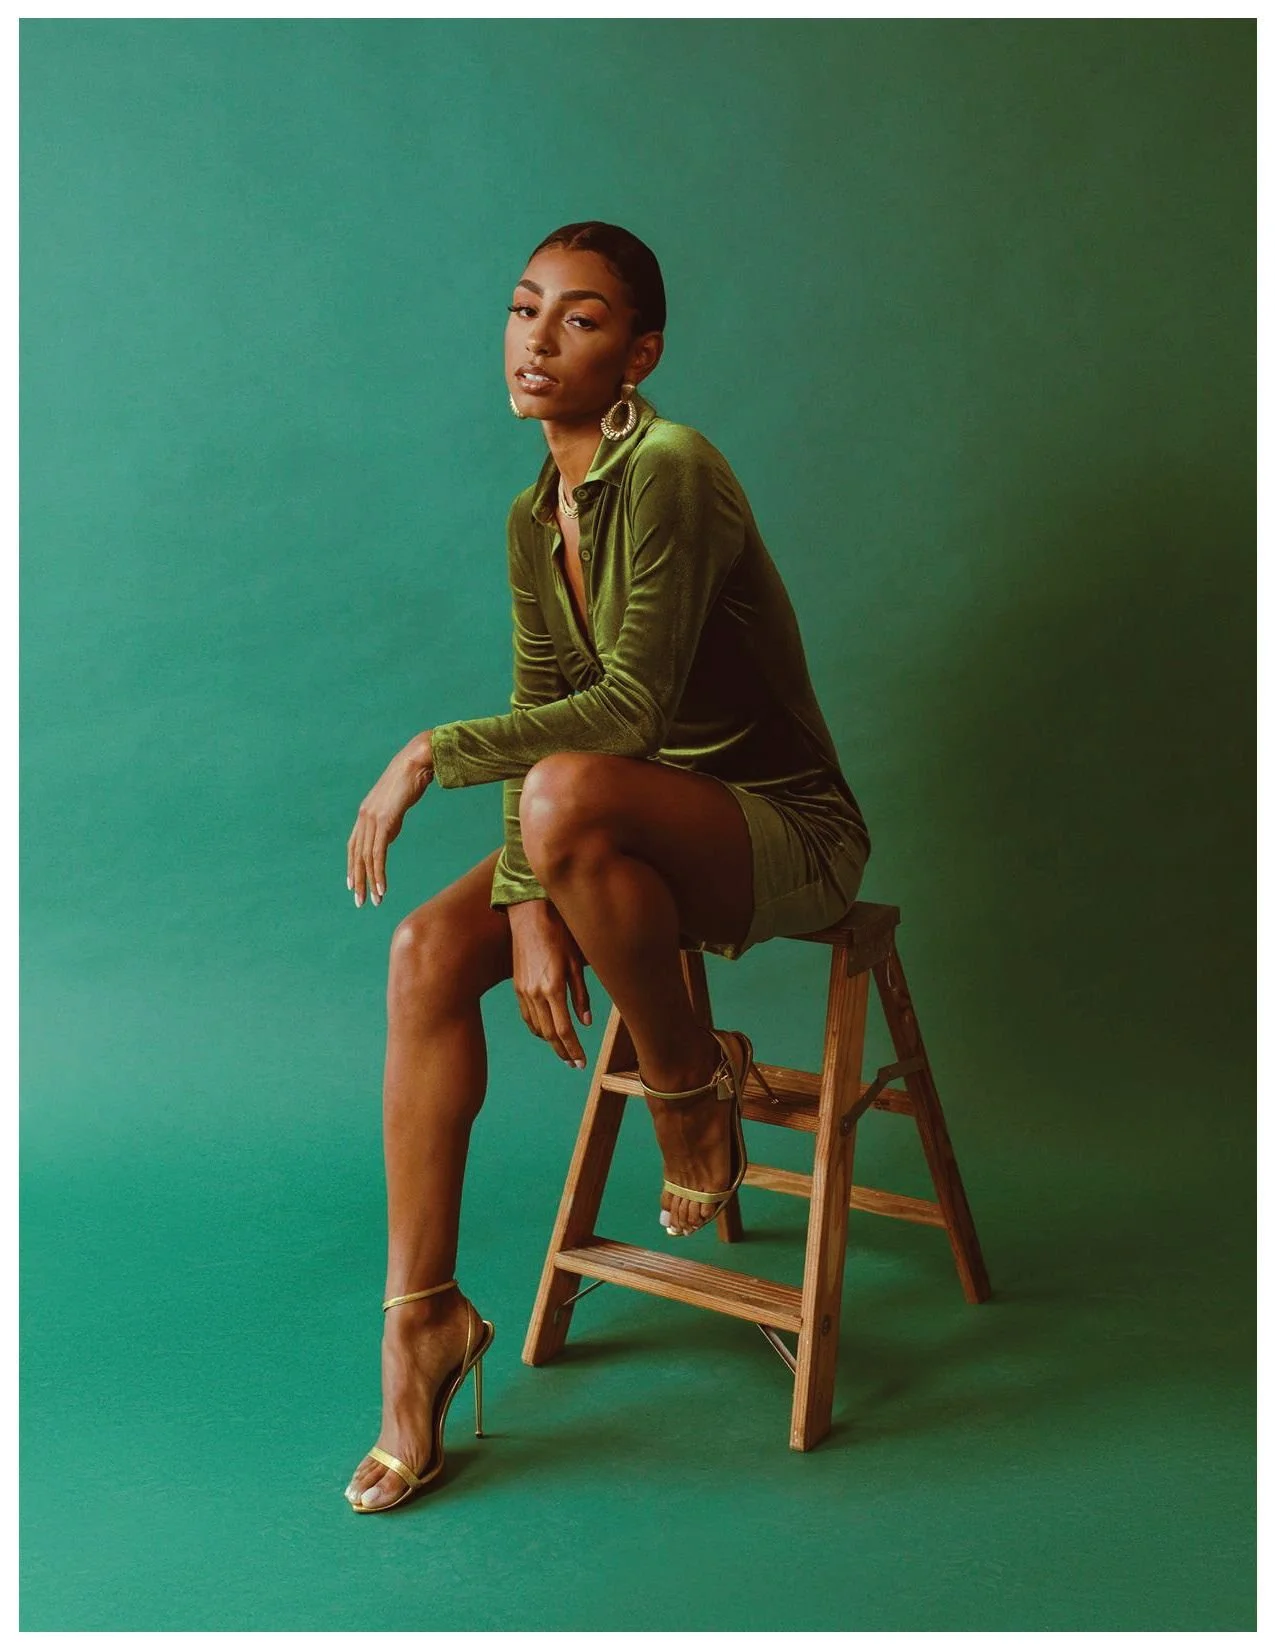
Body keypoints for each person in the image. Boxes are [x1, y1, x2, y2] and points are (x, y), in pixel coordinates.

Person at [341, 222, 871, 1511]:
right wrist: (529, 905)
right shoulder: (536, 516)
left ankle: (688, 1088)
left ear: (639, 355)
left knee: (567, 788)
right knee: (423, 952)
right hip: (610, 836)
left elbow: (624, 715)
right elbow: (547, 710)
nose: (537, 340)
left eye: (579, 320)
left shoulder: (674, 468)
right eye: (523, 308)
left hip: (779, 829)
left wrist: (429, 751)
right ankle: (422, 1322)